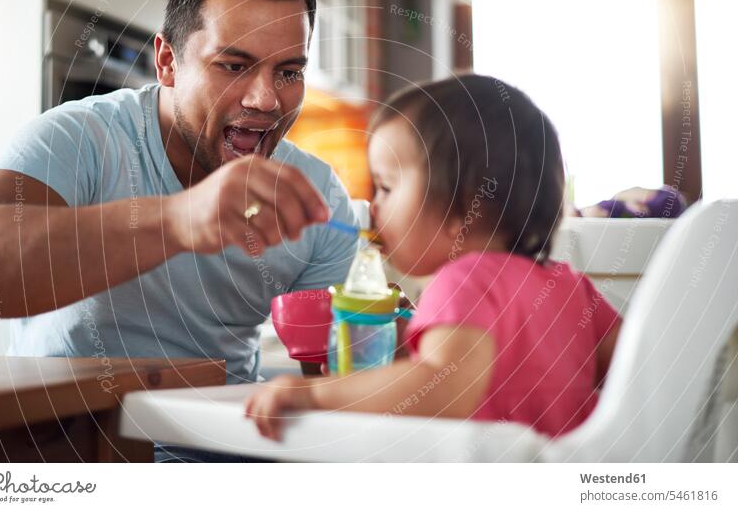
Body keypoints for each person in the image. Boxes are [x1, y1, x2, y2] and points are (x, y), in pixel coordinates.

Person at [0, 0, 358, 461]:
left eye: (289, 71)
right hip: (68, 458)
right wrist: (178, 220)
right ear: (167, 62)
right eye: (233, 65)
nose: (265, 100)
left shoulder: (319, 198)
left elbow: (335, 391)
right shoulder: (80, 138)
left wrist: (392, 346)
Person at [245, 74, 623, 441]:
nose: (374, 207)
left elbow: (439, 386)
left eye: (386, 187)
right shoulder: (571, 286)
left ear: (463, 209)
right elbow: (634, 371)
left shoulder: (463, 279)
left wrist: (317, 393)